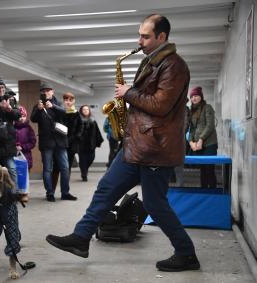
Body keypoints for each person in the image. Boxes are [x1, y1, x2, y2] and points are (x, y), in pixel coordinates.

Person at [46, 14, 200, 272]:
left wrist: (128, 93)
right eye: (139, 34)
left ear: (162, 37)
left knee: (155, 204)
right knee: (106, 187)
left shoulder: (174, 65)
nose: (139, 40)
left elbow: (161, 105)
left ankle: (186, 253)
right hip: (136, 145)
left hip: (155, 149)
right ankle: (81, 238)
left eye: (145, 36)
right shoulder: (151, 61)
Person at [30, 82, 77, 202]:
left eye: (48, 90)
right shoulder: (38, 106)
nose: (46, 93)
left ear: (53, 91)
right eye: (44, 91)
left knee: (65, 168)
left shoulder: (59, 103)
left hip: (60, 141)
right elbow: (33, 118)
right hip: (46, 142)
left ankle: (65, 192)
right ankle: (49, 193)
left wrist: (53, 107)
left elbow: (66, 113)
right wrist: (39, 110)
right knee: (47, 169)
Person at [188, 86, 218, 188]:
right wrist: (191, 142)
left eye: (196, 96)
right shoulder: (192, 111)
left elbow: (210, 126)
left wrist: (201, 139)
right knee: (202, 171)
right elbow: (191, 129)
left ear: (201, 96)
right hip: (197, 145)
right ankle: (204, 193)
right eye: (192, 97)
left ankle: (213, 194)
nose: (194, 98)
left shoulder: (207, 107)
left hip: (209, 144)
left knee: (209, 170)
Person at [51, 92, 83, 191]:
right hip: (59, 143)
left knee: (67, 168)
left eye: (70, 100)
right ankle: (52, 190)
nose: (68, 102)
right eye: (66, 100)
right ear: (63, 101)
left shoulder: (76, 113)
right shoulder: (59, 112)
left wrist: (76, 137)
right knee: (56, 167)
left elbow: (80, 128)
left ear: (73, 101)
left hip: (71, 144)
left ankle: (64, 191)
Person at [15, 105, 37, 202]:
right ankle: (16, 193)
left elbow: (32, 142)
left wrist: (23, 147)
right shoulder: (12, 127)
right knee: (14, 175)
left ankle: (24, 193)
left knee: (25, 176)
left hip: (26, 156)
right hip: (14, 155)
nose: (21, 118)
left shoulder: (28, 128)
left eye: (23, 116)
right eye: (19, 116)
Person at [78, 105, 103, 181]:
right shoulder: (78, 120)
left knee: (91, 158)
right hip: (81, 144)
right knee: (82, 160)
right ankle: (84, 174)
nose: (85, 111)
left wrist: (98, 141)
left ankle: (85, 169)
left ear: (89, 111)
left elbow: (97, 132)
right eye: (84, 109)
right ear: (81, 111)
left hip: (91, 144)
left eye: (87, 109)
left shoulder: (93, 121)